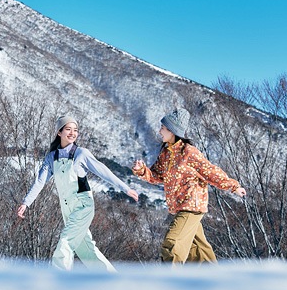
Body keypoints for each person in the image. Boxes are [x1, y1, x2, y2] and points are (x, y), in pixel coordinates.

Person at [17, 115, 139, 272]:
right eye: (68, 129)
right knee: (86, 251)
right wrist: (26, 203)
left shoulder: (81, 153)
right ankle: (111, 278)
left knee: (65, 242)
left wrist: (125, 189)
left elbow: (103, 171)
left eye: (75, 130)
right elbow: (40, 182)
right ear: (59, 132)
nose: (72, 133)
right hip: (67, 209)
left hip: (83, 206)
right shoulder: (51, 157)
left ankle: (60, 281)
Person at [131, 107, 247, 265]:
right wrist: (142, 171)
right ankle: (216, 283)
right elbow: (156, 176)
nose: (160, 131)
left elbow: (210, 171)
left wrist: (233, 186)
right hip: (178, 208)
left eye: (163, 128)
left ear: (172, 131)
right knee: (199, 254)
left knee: (172, 245)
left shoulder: (189, 153)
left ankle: (169, 284)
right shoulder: (166, 154)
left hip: (191, 207)